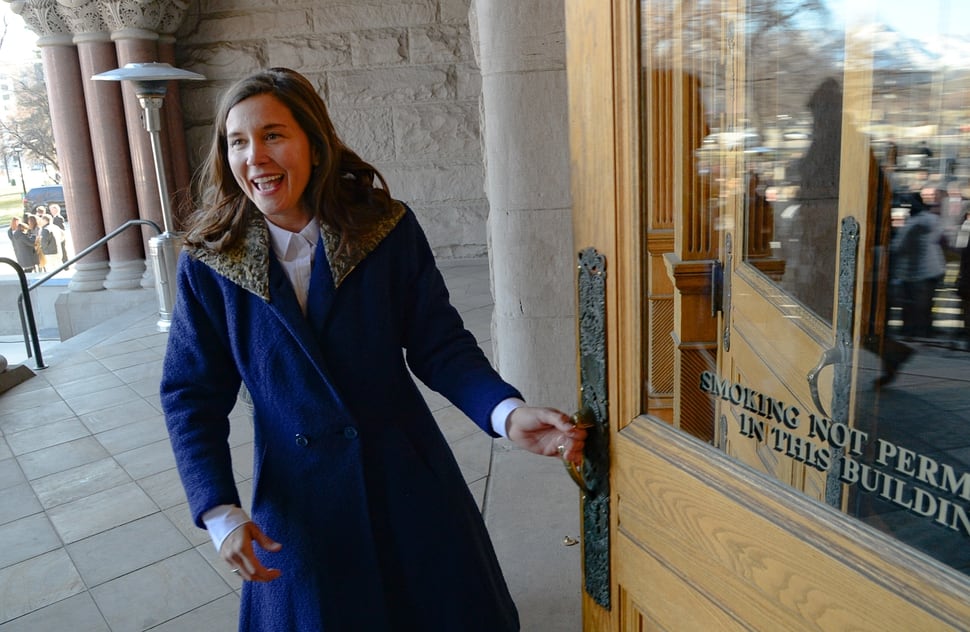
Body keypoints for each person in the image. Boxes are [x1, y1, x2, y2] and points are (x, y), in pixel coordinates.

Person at [160, 67, 586, 631]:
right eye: (237, 141)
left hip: (409, 481)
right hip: (298, 504)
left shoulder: (384, 228)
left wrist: (505, 413)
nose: (254, 157)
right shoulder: (212, 261)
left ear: (313, 141)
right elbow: (192, 395)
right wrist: (219, 510)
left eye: (273, 135)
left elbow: (439, 344)